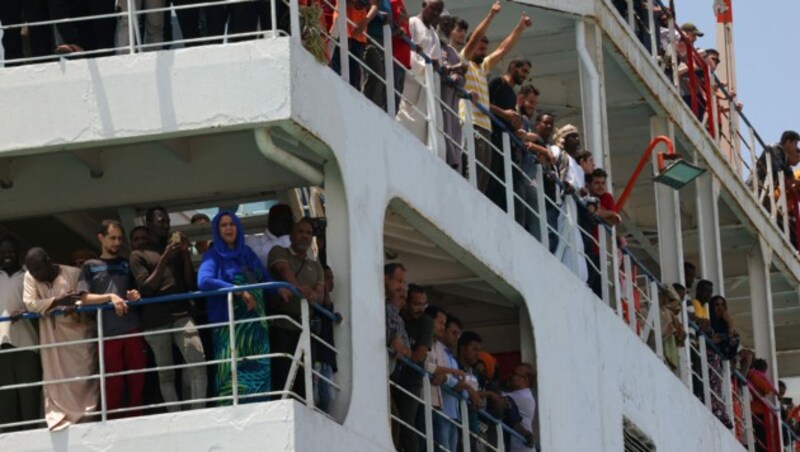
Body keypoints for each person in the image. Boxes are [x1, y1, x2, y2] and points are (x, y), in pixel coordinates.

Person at [197, 211, 291, 404]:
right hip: (230, 327)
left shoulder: (247, 253)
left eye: (232, 224)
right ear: (217, 230)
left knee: (259, 372)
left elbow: (263, 278)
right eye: (223, 225)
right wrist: (236, 290)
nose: (229, 228)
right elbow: (204, 281)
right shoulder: (213, 256)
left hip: (256, 328)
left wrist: (280, 289)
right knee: (231, 372)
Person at [130, 206, 206, 412]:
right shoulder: (138, 254)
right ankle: (176, 415)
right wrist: (164, 258)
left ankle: (198, 413)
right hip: (155, 321)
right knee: (166, 374)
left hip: (182, 314)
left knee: (198, 363)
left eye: (167, 222)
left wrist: (185, 255)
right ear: (148, 224)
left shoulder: (176, 250)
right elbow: (146, 289)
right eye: (160, 221)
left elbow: (190, 284)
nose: (165, 225)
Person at [77, 220, 145, 419]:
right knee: (113, 383)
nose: (117, 242)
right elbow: (83, 297)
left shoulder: (126, 263)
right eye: (112, 238)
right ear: (101, 238)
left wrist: (134, 295)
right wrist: (110, 297)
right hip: (106, 333)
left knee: (137, 378)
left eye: (119, 239)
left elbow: (136, 290)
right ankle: (114, 421)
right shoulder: (90, 266)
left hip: (132, 328)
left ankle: (137, 419)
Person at [22, 248, 96, 431]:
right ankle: (59, 418)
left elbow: (83, 299)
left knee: (83, 378)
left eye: (39, 269)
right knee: (55, 381)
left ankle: (88, 417)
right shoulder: (30, 277)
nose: (36, 274)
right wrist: (57, 301)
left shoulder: (73, 273)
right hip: (52, 340)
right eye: (33, 270)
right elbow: (30, 304)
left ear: (49, 261)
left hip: (78, 336)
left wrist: (74, 305)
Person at [459, 1, 519, 197]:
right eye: (479, 47)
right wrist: (491, 15)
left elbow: (503, 50)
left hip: (485, 126)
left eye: (484, 49)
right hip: (471, 121)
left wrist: (520, 27)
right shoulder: (464, 60)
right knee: (472, 171)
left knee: (483, 174)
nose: (482, 51)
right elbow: (475, 36)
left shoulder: (482, 68)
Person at [267, 218, 325, 400]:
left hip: (305, 330)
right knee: (282, 375)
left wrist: (312, 295)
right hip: (282, 326)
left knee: (304, 380)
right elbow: (284, 270)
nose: (305, 236)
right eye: (300, 232)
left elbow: (320, 295)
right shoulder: (279, 251)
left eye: (309, 233)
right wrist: (300, 289)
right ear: (291, 236)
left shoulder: (316, 266)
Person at [0, 236, 42, 430]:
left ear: (17, 252)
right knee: (6, 403)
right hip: (2, 345)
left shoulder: (29, 275)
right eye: (2, 252)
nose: (6, 255)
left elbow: (40, 303)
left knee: (29, 398)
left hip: (27, 344)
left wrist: (26, 313)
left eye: (10, 251)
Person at [395, 0, 445, 159]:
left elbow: (438, 60)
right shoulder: (412, 23)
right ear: (424, 5)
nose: (436, 13)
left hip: (430, 84)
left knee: (429, 122)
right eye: (433, 8)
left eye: (439, 10)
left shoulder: (435, 34)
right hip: (414, 80)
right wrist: (425, 64)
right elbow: (408, 50)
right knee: (410, 117)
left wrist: (435, 65)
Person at [393, 284, 434, 452]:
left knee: (407, 422)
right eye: (416, 304)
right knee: (393, 418)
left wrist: (403, 351)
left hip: (412, 379)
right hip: (393, 374)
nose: (421, 308)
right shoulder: (397, 314)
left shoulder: (426, 321)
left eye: (423, 304)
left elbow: (420, 355)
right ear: (407, 301)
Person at [552, 124, 588, 282]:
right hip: (560, 202)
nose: (577, 139)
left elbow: (580, 192)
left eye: (577, 136)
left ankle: (577, 277)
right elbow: (549, 161)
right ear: (563, 140)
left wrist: (584, 194)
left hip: (573, 208)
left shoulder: (579, 169)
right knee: (562, 237)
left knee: (575, 243)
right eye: (572, 137)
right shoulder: (557, 151)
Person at [437, 15, 467, 173]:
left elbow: (462, 78)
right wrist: (455, 70)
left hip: (452, 102)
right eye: (446, 27)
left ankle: (453, 163)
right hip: (439, 96)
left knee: (453, 131)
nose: (447, 30)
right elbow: (439, 67)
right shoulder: (437, 46)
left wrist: (458, 77)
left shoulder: (452, 51)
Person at [313, 264, 339, 413]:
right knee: (319, 395)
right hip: (318, 355)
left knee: (328, 397)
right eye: (326, 278)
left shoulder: (328, 304)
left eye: (331, 278)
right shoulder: (317, 301)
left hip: (326, 357)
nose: (331, 281)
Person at [245, 203, 293, 270]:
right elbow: (263, 259)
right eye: (281, 220)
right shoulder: (252, 241)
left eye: (289, 221)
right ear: (271, 221)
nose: (286, 224)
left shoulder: (293, 241)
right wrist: (287, 237)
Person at [748, 358, 780, 452]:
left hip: (755, 404)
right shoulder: (759, 375)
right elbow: (767, 387)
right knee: (760, 434)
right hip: (756, 405)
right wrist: (776, 394)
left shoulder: (750, 373)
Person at [503, 363, 536, 451]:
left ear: (524, 379)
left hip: (521, 446)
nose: (511, 376)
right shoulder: (525, 394)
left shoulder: (523, 397)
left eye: (514, 373)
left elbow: (498, 398)